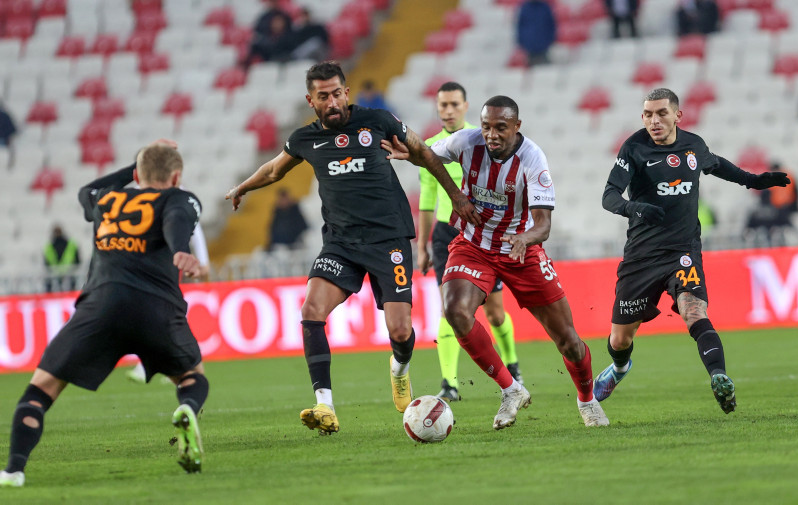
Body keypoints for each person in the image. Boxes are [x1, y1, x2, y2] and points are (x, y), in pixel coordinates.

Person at [225, 61, 479, 435]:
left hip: (388, 239)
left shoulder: (377, 121)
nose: (332, 102)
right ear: (310, 100)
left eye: (337, 93)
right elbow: (274, 170)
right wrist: (242, 188)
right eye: (323, 96)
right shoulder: (304, 140)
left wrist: (455, 195)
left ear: (347, 92)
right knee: (311, 309)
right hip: (341, 243)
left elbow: (424, 152)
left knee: (400, 331)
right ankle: (324, 405)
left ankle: (399, 369)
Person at [384, 96, 610, 429]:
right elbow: (431, 155)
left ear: (517, 127)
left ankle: (587, 400)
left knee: (568, 341)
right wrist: (415, 157)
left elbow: (543, 225)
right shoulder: (466, 141)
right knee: (456, 312)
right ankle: (511, 389)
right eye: (487, 126)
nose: (491, 134)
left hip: (522, 252)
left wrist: (524, 238)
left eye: (500, 128)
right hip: (474, 246)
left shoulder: (532, 158)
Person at [0, 141, 209, 488]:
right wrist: (180, 251)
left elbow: (87, 190)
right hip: (155, 308)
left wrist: (134, 169)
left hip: (100, 306)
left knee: (40, 390)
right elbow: (176, 220)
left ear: (137, 175)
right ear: (176, 177)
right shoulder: (180, 197)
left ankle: (13, 471)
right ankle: (187, 407)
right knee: (192, 375)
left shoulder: (106, 199)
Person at [595, 88, 791, 415]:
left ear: (677, 115)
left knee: (694, 311)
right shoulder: (634, 148)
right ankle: (618, 369)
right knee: (619, 341)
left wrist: (753, 181)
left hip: (682, 253)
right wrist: (634, 208)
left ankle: (719, 376)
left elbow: (715, 165)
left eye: (660, 113)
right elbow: (609, 195)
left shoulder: (693, 145)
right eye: (647, 114)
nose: (653, 121)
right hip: (642, 257)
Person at [417, 82, 524, 402]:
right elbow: (427, 199)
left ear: (465, 107)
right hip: (445, 234)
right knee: (448, 309)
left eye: (453, 104)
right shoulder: (430, 147)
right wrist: (422, 245)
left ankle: (512, 364)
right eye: (443, 105)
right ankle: (449, 382)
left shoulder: (479, 141)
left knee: (494, 314)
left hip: (480, 233)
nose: (447, 110)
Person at [126, 217, 211, 384]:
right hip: (155, 262)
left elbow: (195, 229)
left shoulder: (177, 196)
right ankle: (175, 364)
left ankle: (160, 364)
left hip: (165, 263)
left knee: (162, 311)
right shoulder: (151, 194)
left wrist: (203, 261)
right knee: (162, 312)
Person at [744, 161, 797, 246]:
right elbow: (795, 192)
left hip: (779, 207)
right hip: (784, 207)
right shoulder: (788, 175)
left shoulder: (756, 212)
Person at [516, 0, 557, 66]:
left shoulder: (545, 7)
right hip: (529, 49)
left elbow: (551, 26)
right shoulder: (525, 8)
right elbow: (520, 26)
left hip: (544, 48)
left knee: (544, 71)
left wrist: (549, 41)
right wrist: (522, 43)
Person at [43, 224, 81, 293]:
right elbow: (78, 261)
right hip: (69, 276)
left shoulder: (49, 247)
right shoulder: (71, 245)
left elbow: (46, 264)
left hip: (55, 278)